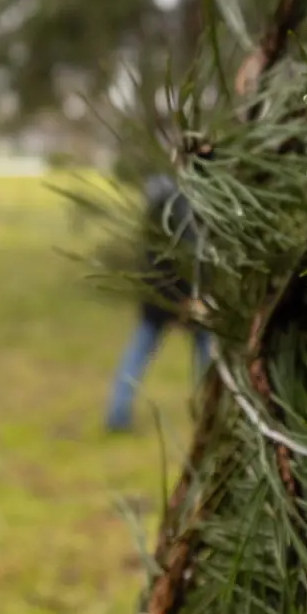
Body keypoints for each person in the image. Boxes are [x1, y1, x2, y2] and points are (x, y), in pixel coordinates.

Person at [104, 174, 214, 433]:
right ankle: (212, 414)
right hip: (179, 298)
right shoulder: (180, 210)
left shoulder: (156, 211)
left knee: (140, 353)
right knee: (205, 356)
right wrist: (189, 298)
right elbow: (186, 258)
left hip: (157, 298)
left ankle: (117, 414)